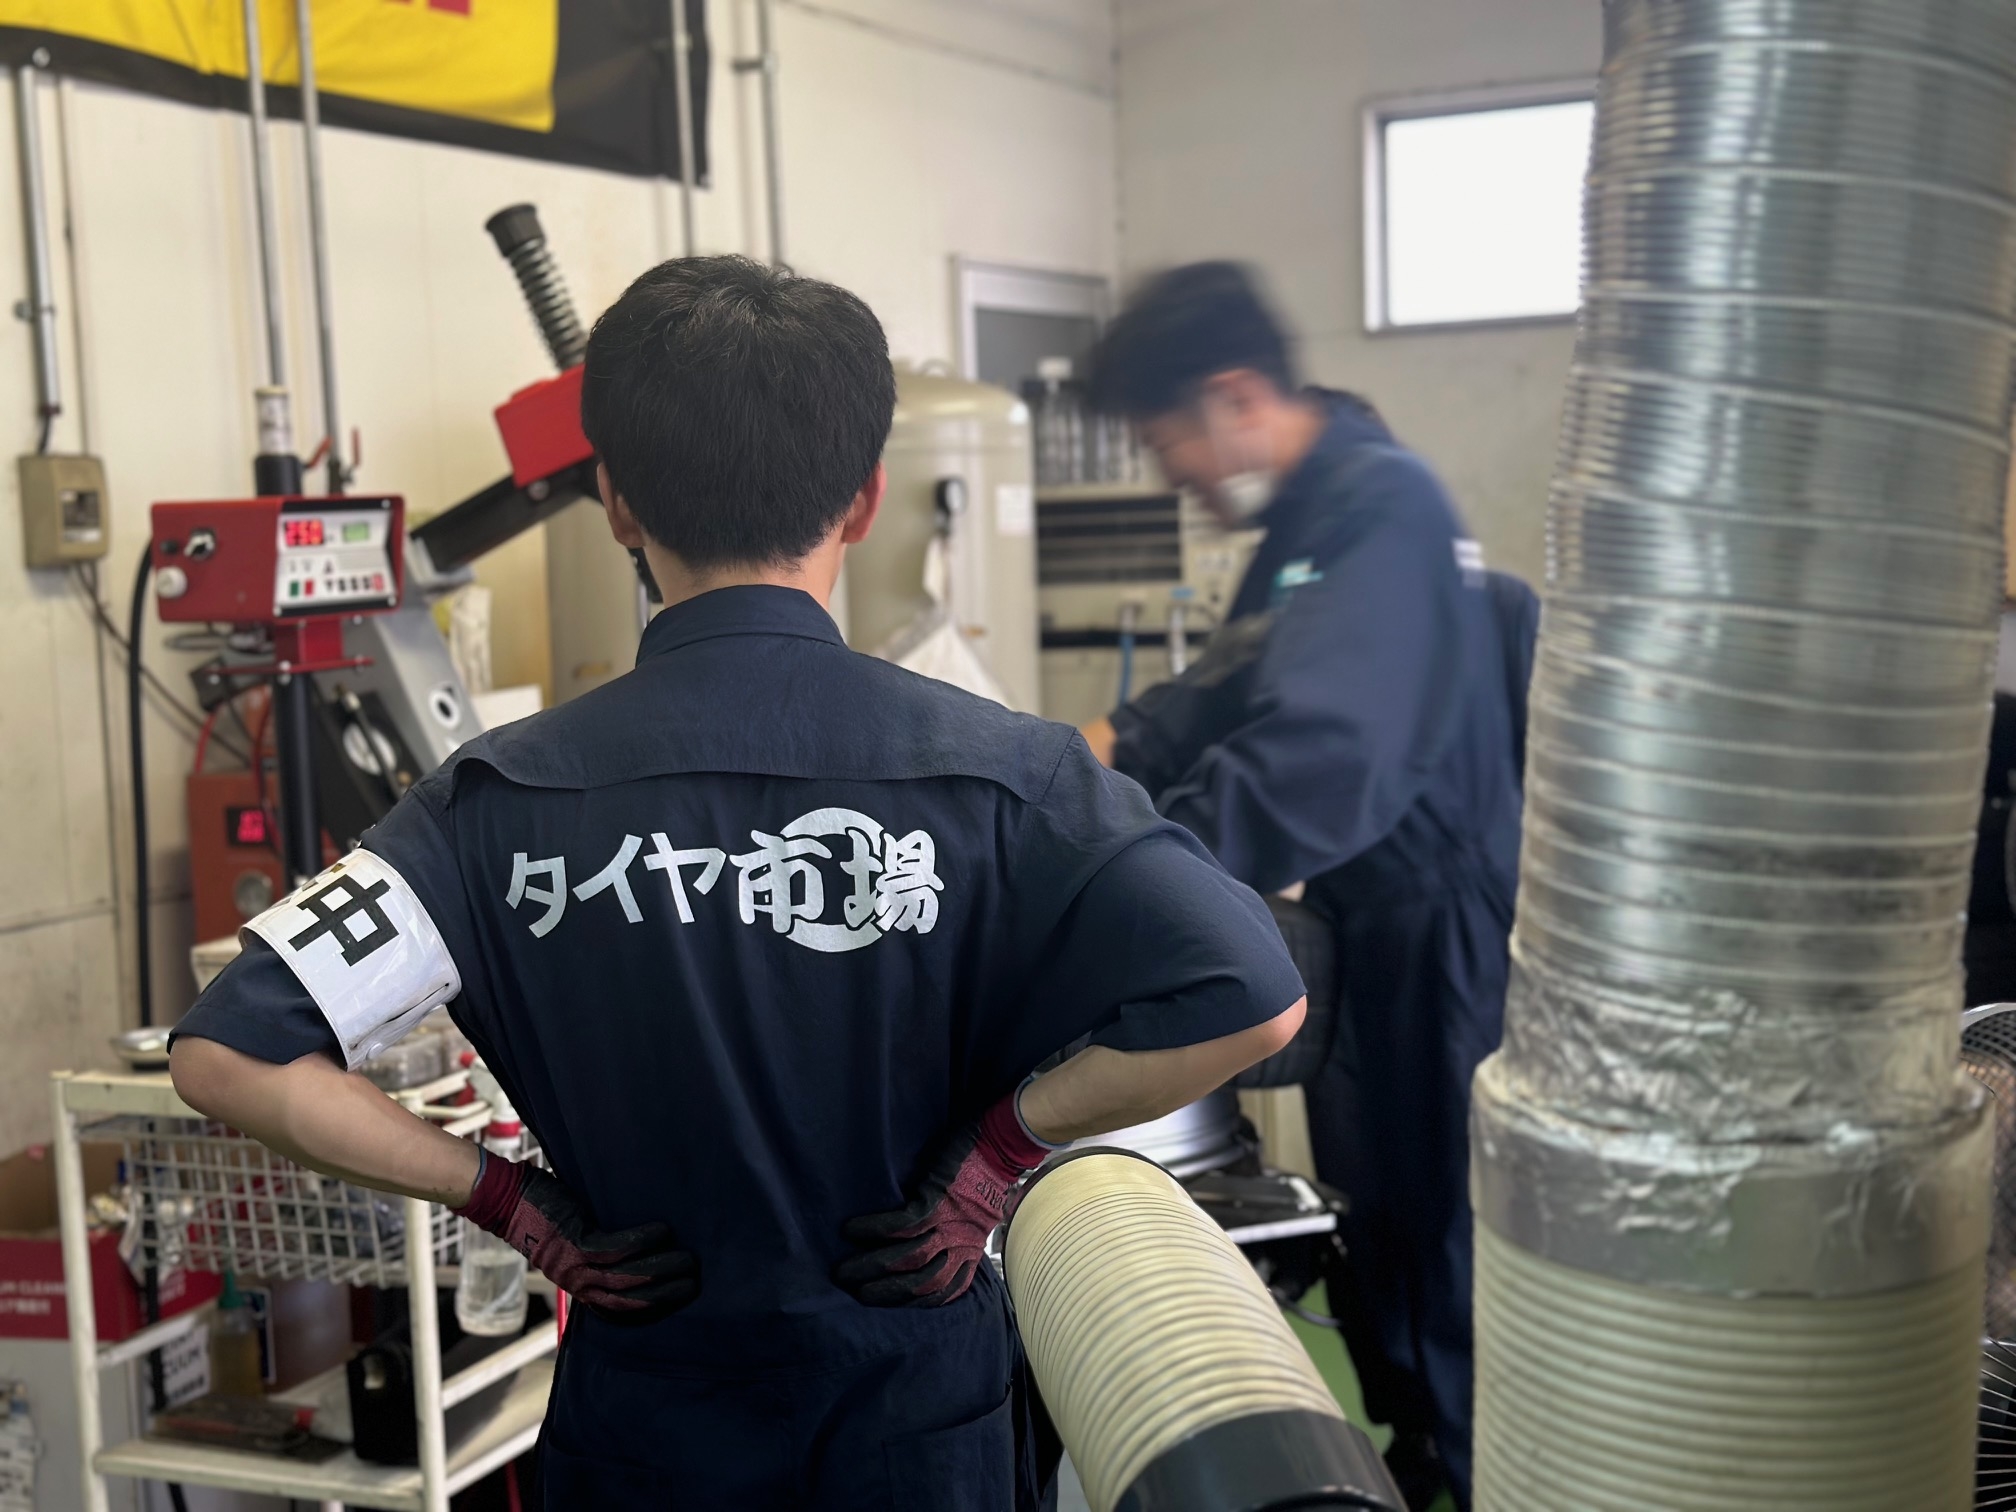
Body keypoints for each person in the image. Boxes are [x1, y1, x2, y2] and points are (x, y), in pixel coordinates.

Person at [167, 255, 1306, 1510]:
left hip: (645, 1432)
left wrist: (508, 1201)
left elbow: (228, 1055)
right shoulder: (1008, 776)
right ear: (865, 500)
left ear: (615, 503)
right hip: (914, 1425)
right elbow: (1251, 995)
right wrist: (996, 1152)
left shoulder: (488, 802)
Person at [1080, 262, 1529, 1512]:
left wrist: (1131, 882)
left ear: (1233, 397)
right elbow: (1218, 691)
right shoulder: (1305, 525)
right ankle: (1419, 1456)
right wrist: (1073, 760)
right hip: (1366, 921)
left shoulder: (1381, 507)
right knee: (1381, 1227)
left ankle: (1471, 1475)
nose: (1169, 474)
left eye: (1163, 441)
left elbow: (1317, 758)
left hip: (1441, 931)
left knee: (1442, 1242)